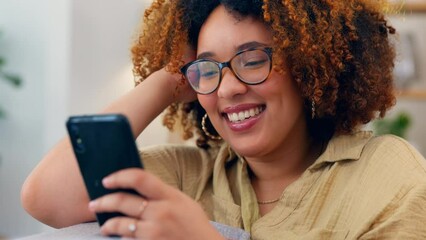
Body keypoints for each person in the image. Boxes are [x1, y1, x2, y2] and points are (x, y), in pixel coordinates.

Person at [21, 0, 426, 239]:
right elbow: (47, 200)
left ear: (309, 67)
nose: (228, 88)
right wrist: (167, 79)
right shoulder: (186, 174)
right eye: (206, 70)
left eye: (252, 61)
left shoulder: (386, 173)